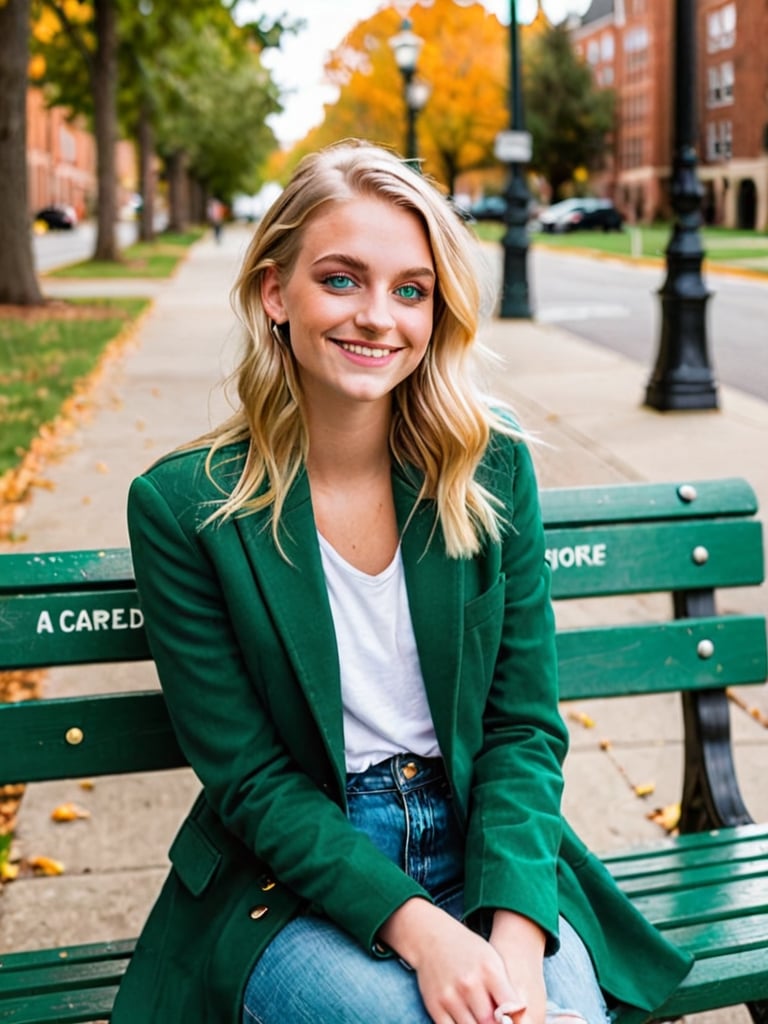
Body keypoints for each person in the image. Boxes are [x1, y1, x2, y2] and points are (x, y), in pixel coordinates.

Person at [113, 140, 692, 1024]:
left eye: (410, 290)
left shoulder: (486, 470)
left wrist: (515, 939)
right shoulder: (184, 508)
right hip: (296, 879)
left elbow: (522, 729)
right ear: (276, 293)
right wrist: (425, 933)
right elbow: (254, 782)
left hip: (486, 845)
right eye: (341, 280)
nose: (379, 317)